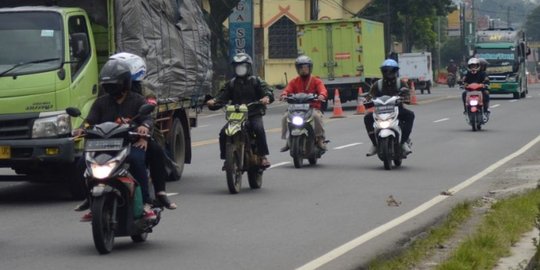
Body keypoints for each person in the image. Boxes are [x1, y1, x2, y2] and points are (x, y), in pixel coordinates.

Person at [73, 59, 156, 222]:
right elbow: (90, 120)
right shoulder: (101, 102)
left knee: (137, 161)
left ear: (124, 83)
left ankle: (146, 203)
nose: (110, 88)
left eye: (113, 84)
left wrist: (144, 127)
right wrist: (82, 128)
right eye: (107, 84)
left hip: (130, 144)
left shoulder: (138, 100)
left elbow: (147, 118)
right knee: (82, 164)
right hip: (103, 146)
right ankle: (90, 200)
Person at [109, 52, 178, 209]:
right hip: (113, 135)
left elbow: (150, 116)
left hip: (142, 132)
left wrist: (144, 136)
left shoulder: (145, 90)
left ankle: (160, 194)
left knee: (156, 151)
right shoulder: (108, 89)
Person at [206, 53, 274, 168]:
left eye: (242, 66)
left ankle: (262, 157)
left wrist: (266, 98)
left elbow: (268, 91)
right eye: (238, 67)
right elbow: (221, 97)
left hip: (253, 114)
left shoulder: (256, 81)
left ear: (248, 67)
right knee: (223, 133)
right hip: (236, 116)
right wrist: (213, 101)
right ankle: (226, 159)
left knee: (258, 129)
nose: (240, 69)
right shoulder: (231, 84)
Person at [365, 59, 415, 156]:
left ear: (395, 71)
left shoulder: (400, 83)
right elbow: (369, 96)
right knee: (367, 118)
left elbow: (407, 95)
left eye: (391, 70)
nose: (388, 73)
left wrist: (405, 98)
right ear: (382, 71)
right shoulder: (377, 84)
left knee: (410, 115)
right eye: (386, 70)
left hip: (397, 110)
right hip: (380, 111)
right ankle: (375, 144)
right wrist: (367, 100)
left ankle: (403, 141)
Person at [279, 55, 328, 152]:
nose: (303, 70)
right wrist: (284, 95)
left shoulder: (316, 81)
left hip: (312, 108)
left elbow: (323, 90)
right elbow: (287, 90)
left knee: (317, 117)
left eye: (306, 67)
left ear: (310, 68)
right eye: (301, 67)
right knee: (285, 117)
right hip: (295, 108)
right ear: (297, 69)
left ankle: (319, 139)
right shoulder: (294, 81)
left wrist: (322, 95)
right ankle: (288, 139)